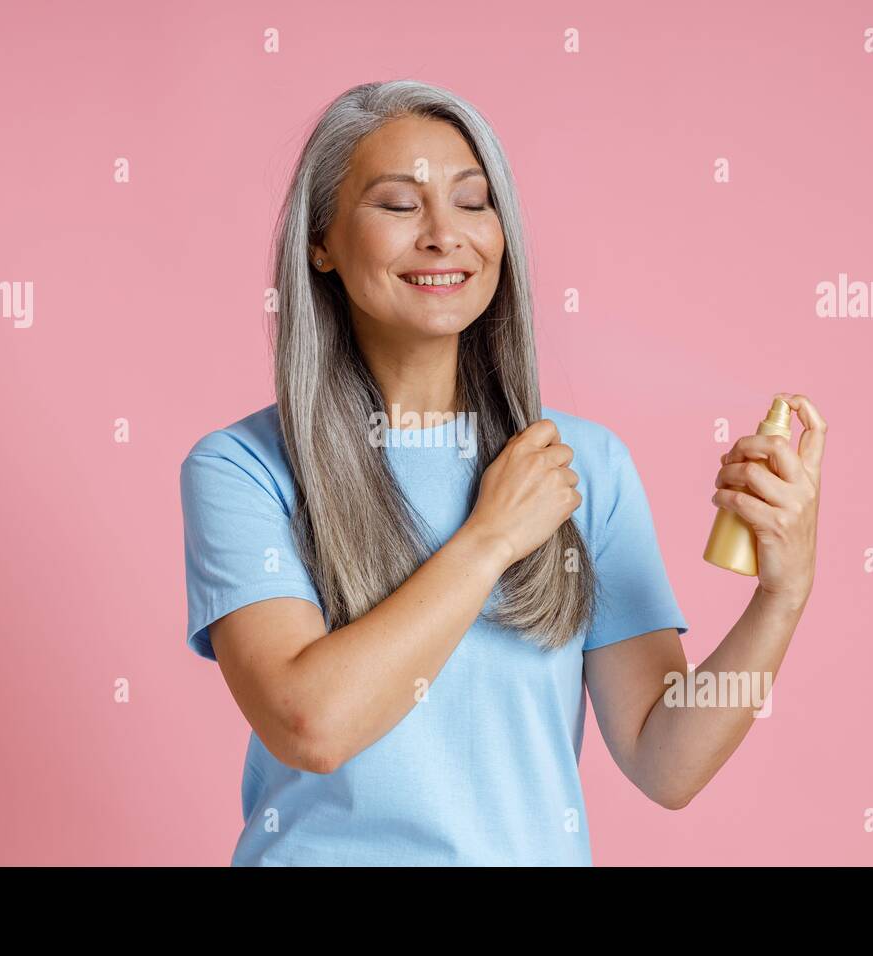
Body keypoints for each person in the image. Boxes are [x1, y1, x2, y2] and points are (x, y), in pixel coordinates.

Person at [179, 79, 825, 866]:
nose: (444, 235)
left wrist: (782, 594)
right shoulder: (244, 469)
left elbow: (667, 761)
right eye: (397, 204)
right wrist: (490, 539)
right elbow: (310, 724)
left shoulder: (582, 467)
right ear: (322, 242)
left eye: (472, 202)